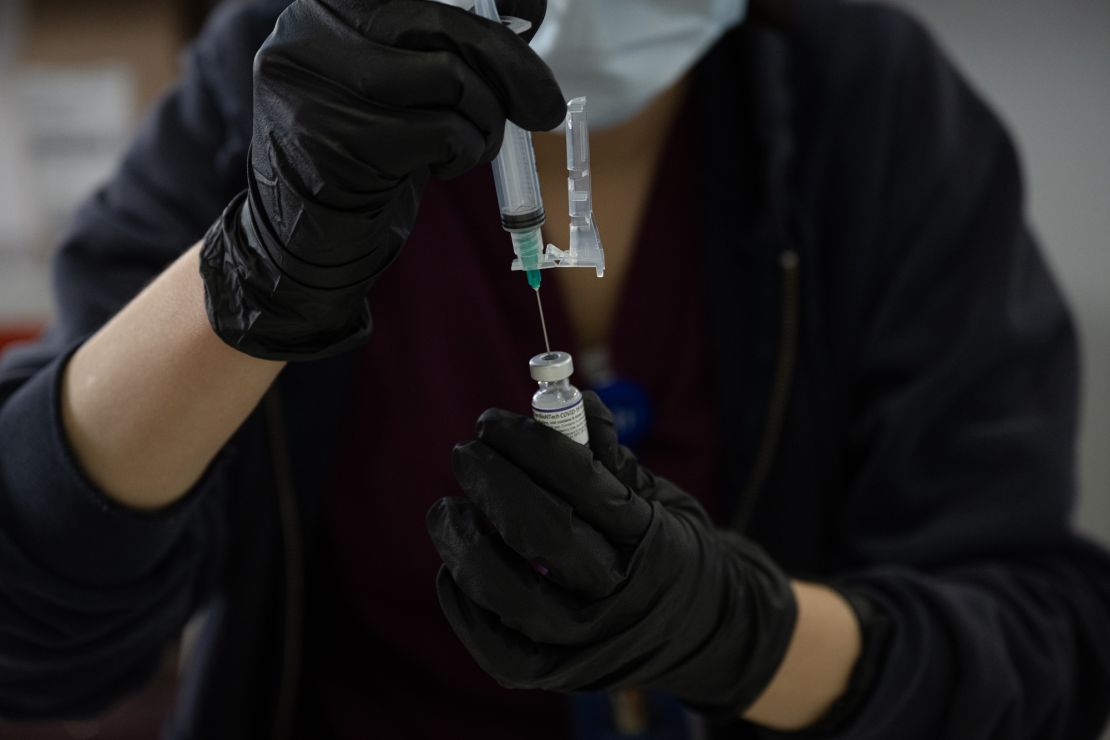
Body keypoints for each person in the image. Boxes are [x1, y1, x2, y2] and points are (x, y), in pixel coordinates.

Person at [1, 0, 1108, 738]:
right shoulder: (292, 77)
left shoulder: (868, 107)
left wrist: (748, 634)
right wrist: (254, 265)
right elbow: (31, 633)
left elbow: (1044, 646)